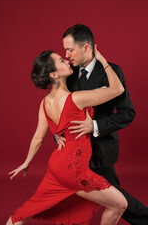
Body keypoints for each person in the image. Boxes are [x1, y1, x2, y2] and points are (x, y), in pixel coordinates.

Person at [6, 46, 127, 225]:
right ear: (54, 75)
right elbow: (118, 89)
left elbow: (39, 137)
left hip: (56, 166)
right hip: (74, 170)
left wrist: (27, 162)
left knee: (22, 214)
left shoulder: (44, 103)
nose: (67, 60)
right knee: (119, 205)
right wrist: (101, 59)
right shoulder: (76, 99)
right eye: (61, 61)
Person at [54, 24, 148, 224]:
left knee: (118, 200)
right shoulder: (67, 73)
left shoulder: (112, 72)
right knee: (70, 200)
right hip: (73, 152)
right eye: (65, 50)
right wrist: (56, 133)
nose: (66, 54)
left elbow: (127, 113)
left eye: (70, 49)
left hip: (101, 153)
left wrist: (94, 126)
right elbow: (58, 106)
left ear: (86, 48)